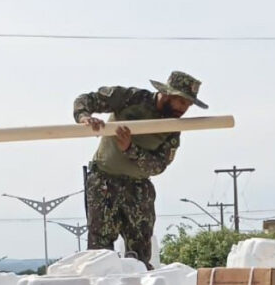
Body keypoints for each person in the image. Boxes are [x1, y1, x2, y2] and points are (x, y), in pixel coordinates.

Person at [73, 71, 208, 269]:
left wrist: (130, 149)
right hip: (103, 181)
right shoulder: (131, 99)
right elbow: (86, 99)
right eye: (181, 102)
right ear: (167, 94)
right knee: (99, 252)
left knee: (140, 253)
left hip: (138, 187)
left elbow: (159, 166)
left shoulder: (172, 128)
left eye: (188, 105)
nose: (184, 109)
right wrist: (85, 117)